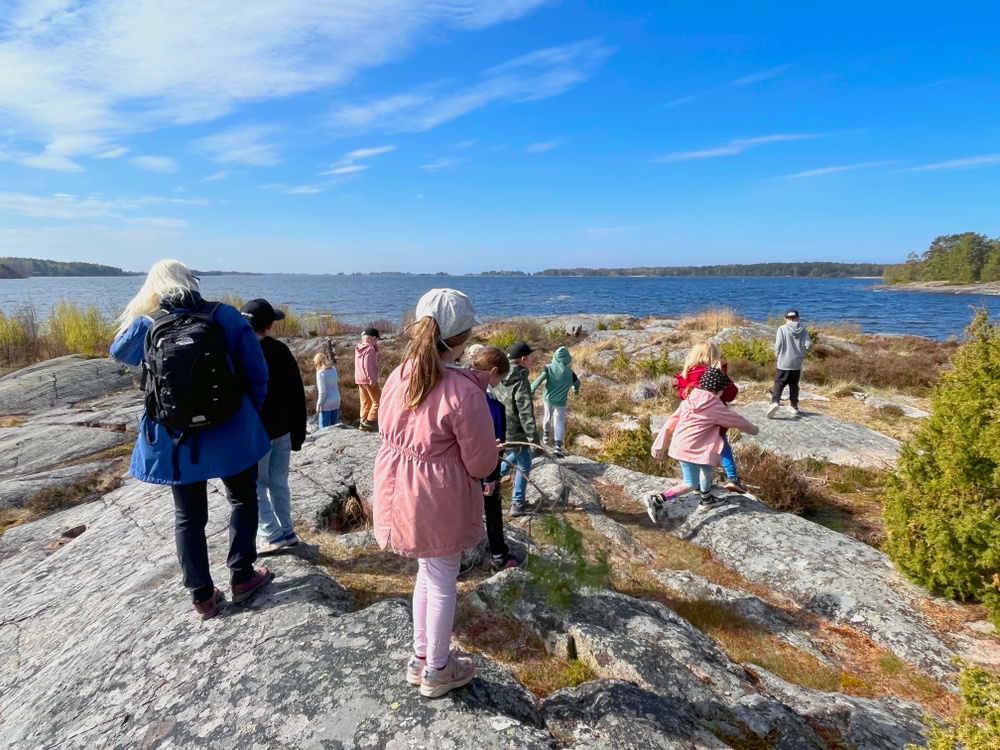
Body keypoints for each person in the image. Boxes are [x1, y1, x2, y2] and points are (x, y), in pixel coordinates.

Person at [110, 259, 273, 620]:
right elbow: (257, 373)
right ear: (192, 282)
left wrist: (146, 312)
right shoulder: (225, 316)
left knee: (188, 516)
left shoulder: (150, 323)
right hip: (230, 428)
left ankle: (202, 595)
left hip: (176, 437)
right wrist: (246, 415)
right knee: (244, 500)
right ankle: (243, 578)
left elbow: (118, 351)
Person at [372, 288, 497, 699]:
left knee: (427, 572)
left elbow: (386, 430)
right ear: (462, 339)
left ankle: (421, 655)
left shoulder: (399, 373)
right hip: (438, 495)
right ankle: (438, 669)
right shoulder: (464, 392)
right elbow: (480, 464)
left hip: (399, 488)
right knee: (442, 577)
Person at [644, 367, 760, 520]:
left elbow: (669, 423)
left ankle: (706, 499)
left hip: (681, 446)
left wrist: (659, 445)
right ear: (718, 391)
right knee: (691, 483)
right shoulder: (716, 407)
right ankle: (658, 499)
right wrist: (754, 430)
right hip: (696, 449)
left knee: (702, 470)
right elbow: (737, 421)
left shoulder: (689, 400)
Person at [241, 299, 308, 555]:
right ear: (269, 326)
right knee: (279, 481)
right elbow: (296, 394)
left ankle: (270, 534)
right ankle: (287, 530)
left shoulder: (239, 351)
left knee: (256, 485)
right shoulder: (280, 350)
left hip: (255, 432)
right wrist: (298, 435)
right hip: (282, 429)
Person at [464, 346, 526, 573]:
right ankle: (498, 556)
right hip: (483, 467)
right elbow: (487, 439)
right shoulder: (485, 401)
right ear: (492, 371)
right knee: (491, 510)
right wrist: (490, 476)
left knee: (463, 511)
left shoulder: (461, 384)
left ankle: (460, 558)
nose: (501, 382)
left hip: (463, 466)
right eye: (501, 377)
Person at [674, 341, 745, 493]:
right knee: (723, 446)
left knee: (696, 450)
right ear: (714, 356)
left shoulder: (687, 374)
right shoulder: (715, 373)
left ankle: (697, 483)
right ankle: (732, 478)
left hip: (692, 422)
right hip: (715, 419)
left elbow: (683, 395)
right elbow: (731, 394)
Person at [495, 340, 539, 516]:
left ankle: (492, 479)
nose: (533, 360)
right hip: (517, 432)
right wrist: (534, 440)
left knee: (512, 456)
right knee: (525, 463)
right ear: (523, 359)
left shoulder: (501, 376)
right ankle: (518, 503)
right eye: (531, 357)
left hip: (502, 429)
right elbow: (525, 412)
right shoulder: (521, 381)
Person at [531, 345, 581, 457]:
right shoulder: (570, 373)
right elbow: (577, 384)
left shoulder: (549, 368)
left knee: (547, 417)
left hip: (548, 399)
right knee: (559, 422)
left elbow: (540, 379)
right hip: (561, 402)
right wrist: (575, 389)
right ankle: (558, 446)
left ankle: (545, 435)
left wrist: (531, 388)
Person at [767, 309, 813, 418]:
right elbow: (809, 345)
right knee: (794, 385)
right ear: (798, 318)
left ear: (785, 318)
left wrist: (777, 354)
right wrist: (802, 350)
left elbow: (778, 344)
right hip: (797, 362)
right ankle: (794, 406)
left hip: (784, 361)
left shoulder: (782, 329)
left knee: (779, 382)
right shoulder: (803, 330)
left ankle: (775, 402)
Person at [355, 327, 381, 431]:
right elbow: (367, 366)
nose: (377, 342)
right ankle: (370, 421)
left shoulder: (359, 348)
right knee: (378, 401)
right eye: (377, 340)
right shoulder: (369, 349)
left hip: (359, 379)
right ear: (373, 338)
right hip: (368, 379)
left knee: (365, 402)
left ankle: (363, 421)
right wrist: (372, 379)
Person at [314, 349, 341, 428]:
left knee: (324, 428)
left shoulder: (320, 373)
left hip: (326, 402)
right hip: (336, 399)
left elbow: (323, 392)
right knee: (335, 427)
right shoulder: (333, 369)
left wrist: (319, 404)